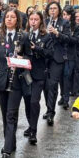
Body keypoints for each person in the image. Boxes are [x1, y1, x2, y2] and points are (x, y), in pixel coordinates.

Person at [0, 8, 29, 158]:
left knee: (11, 115)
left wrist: (21, 58)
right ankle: (11, 142)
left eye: (12, 17)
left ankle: (6, 150)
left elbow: (29, 57)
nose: (9, 19)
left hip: (17, 81)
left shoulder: (23, 37)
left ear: (17, 20)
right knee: (4, 114)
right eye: (7, 17)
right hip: (1, 80)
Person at [22, 11, 53, 143]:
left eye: (36, 19)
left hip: (39, 74)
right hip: (25, 73)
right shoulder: (24, 35)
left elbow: (50, 54)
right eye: (31, 19)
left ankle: (34, 131)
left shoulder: (46, 37)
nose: (33, 22)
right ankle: (31, 125)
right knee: (28, 101)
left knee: (35, 102)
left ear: (40, 21)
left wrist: (37, 49)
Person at [44, 1, 71, 125]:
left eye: (55, 8)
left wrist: (56, 33)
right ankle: (48, 107)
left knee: (53, 85)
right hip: (44, 57)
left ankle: (51, 112)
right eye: (50, 9)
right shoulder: (44, 21)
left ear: (59, 10)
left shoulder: (64, 23)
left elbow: (68, 39)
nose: (52, 11)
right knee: (45, 86)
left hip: (57, 57)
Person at [59, 6, 77, 110]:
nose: (65, 17)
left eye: (67, 15)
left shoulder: (76, 27)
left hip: (70, 55)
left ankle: (66, 99)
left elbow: (75, 40)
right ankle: (62, 96)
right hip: (61, 54)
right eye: (64, 15)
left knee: (67, 77)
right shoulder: (61, 24)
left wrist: (65, 36)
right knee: (61, 77)